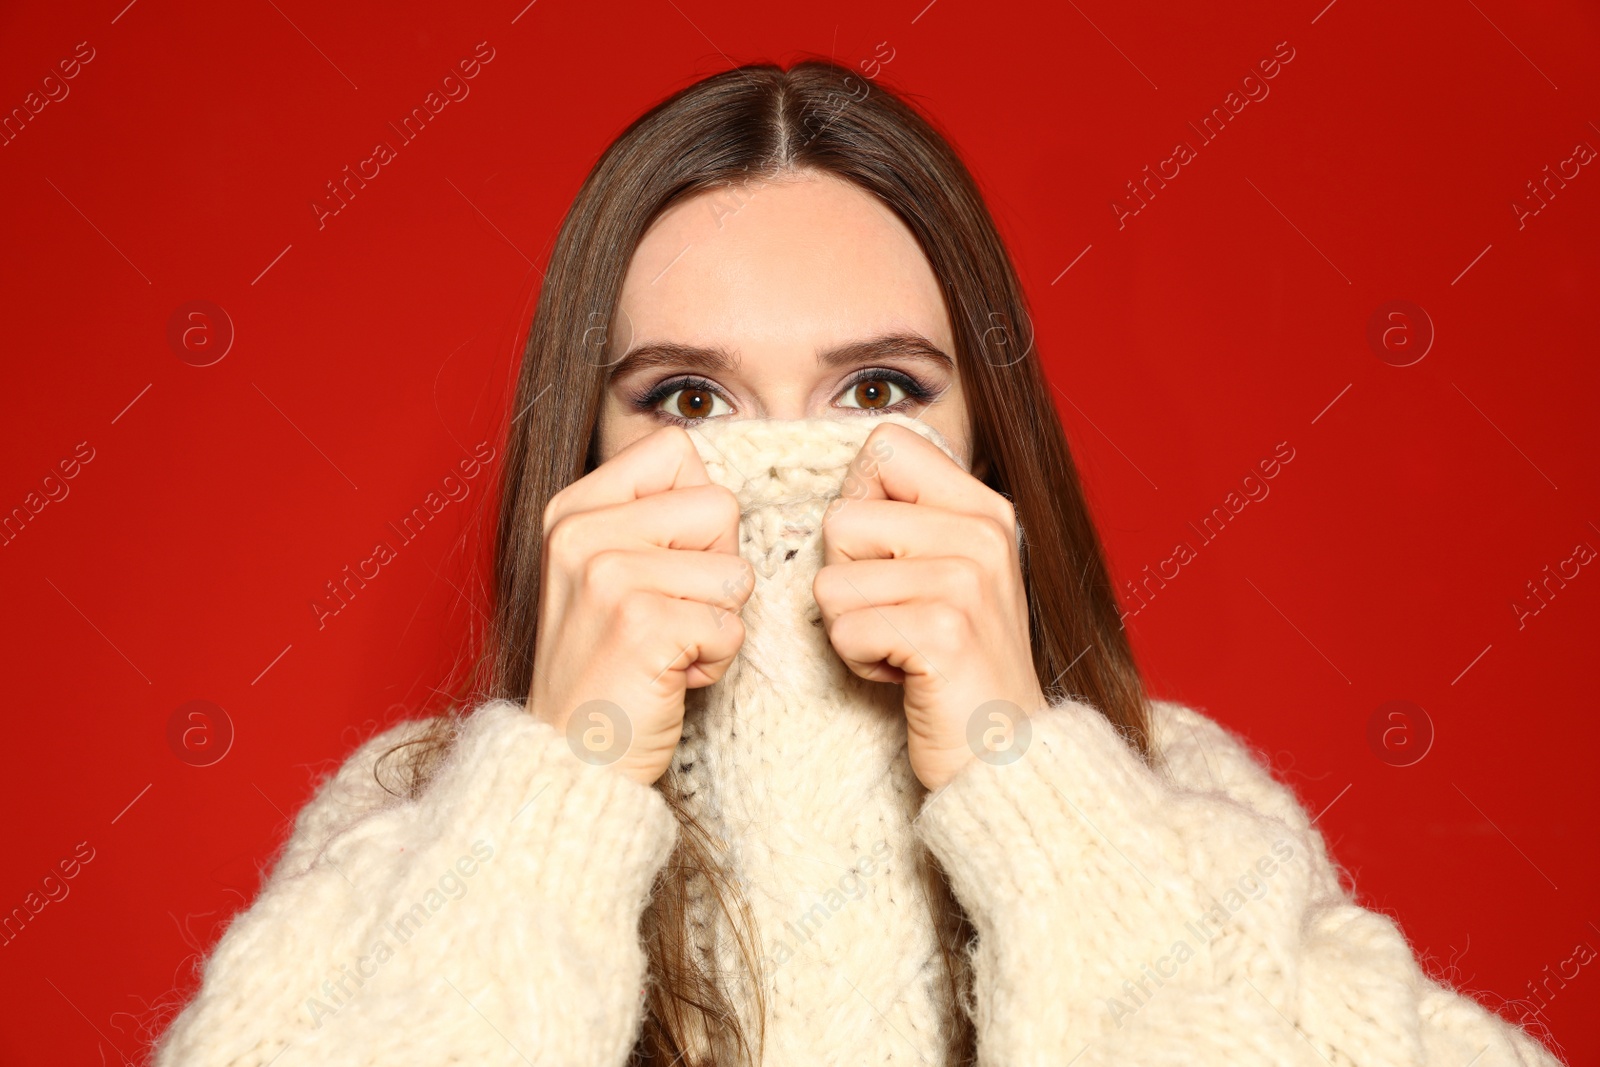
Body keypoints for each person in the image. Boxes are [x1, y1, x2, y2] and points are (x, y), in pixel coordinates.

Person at [148, 59, 1566, 1066]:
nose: (787, 472)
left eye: (879, 391)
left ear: (990, 446)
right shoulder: (419, 822)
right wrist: (556, 794)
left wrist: (1034, 793)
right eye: (687, 400)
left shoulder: (1166, 799)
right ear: (581, 463)